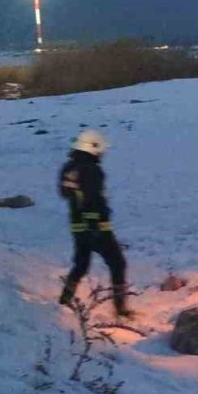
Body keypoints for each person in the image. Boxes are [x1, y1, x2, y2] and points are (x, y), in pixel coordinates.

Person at [57, 130, 132, 317]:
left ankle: (64, 301)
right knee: (118, 263)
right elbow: (92, 198)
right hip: (96, 227)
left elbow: (68, 195)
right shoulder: (91, 169)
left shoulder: (69, 168)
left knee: (81, 265)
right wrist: (95, 225)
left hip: (77, 226)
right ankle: (120, 309)